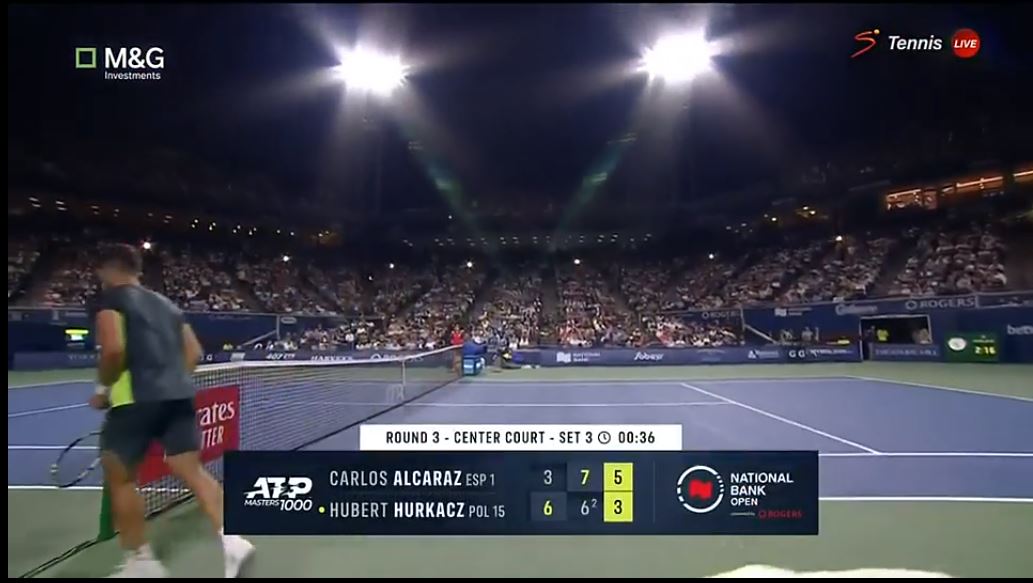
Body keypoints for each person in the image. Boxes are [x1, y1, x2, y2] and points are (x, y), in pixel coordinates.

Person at [90, 244, 254, 577]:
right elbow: (193, 351)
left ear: (106, 270)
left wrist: (103, 389)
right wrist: (173, 382)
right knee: (193, 471)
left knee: (120, 479)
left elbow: (113, 350)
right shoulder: (167, 305)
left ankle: (141, 563)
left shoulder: (111, 300)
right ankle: (233, 541)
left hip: (134, 401)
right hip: (179, 397)